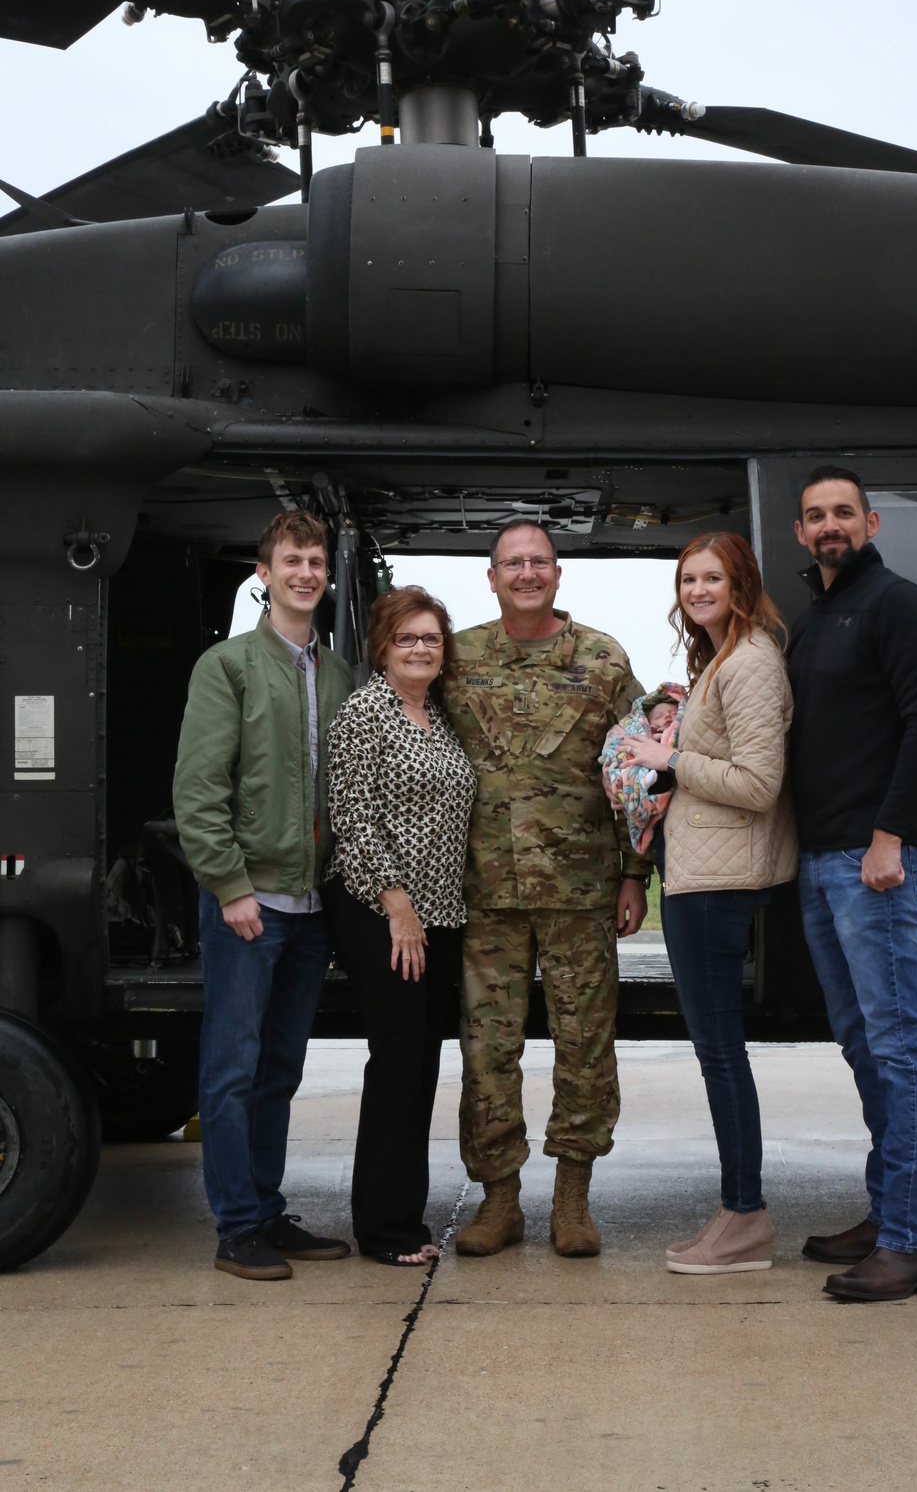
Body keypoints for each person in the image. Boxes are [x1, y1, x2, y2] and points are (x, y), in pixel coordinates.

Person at [442, 520, 651, 1260]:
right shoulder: (456, 656)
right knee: (487, 1049)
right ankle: (500, 1200)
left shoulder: (602, 659)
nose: (526, 573)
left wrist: (634, 874)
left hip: (581, 890)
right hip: (486, 892)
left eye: (539, 562)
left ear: (559, 575)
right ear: (491, 577)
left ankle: (572, 1200)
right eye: (512, 563)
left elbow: (631, 774)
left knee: (584, 1045)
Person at [174, 510, 354, 1280]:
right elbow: (199, 786)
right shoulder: (229, 666)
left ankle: (266, 1209)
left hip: (313, 910)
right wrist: (230, 886)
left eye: (315, 560)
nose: (305, 572)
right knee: (232, 1067)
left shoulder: (339, 672)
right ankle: (235, 1227)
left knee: (281, 1069)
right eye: (291, 560)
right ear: (264, 574)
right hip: (250, 905)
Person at [789, 466, 917, 1302]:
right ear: (799, 532)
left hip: (873, 861)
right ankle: (890, 1212)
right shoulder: (814, 619)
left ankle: (916, 1242)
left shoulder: (898, 603)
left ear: (872, 522)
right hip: (822, 862)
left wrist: (889, 836)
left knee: (900, 1049)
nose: (830, 526)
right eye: (816, 515)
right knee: (864, 1047)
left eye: (843, 514)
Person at [623, 532, 797, 1273]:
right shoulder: (722, 656)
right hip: (698, 874)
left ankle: (746, 1217)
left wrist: (669, 760)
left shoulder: (751, 661)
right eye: (688, 580)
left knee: (721, 1055)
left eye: (712, 578)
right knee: (716, 1053)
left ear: (741, 583)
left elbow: (759, 785)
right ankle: (734, 1211)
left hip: (717, 884)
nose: (696, 591)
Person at [324, 587, 477, 1267]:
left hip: (441, 915)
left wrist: (429, 914)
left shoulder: (439, 720)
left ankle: (406, 1218)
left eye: (431, 639)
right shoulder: (365, 713)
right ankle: (381, 1228)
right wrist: (398, 907)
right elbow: (353, 819)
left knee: (421, 1063)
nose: (420, 648)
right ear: (383, 649)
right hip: (379, 911)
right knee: (396, 1061)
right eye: (406, 638)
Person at [601, 683, 687, 852]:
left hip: (669, 773)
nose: (667, 717)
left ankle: (646, 784)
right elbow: (617, 748)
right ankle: (640, 784)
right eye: (659, 716)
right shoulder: (642, 732)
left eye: (673, 713)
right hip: (643, 768)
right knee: (631, 768)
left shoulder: (679, 731)